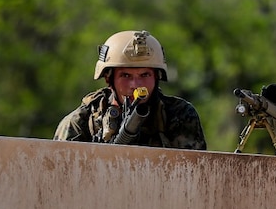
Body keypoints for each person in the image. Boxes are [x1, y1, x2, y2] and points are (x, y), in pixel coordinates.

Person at [54, 30, 206, 150]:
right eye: (125, 75)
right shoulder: (81, 121)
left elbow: (195, 176)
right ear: (109, 79)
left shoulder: (179, 115)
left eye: (145, 75)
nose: (135, 84)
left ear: (156, 77)